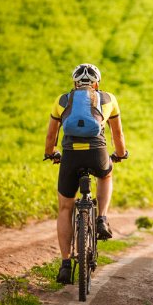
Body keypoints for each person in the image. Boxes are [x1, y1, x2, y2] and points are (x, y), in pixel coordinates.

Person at [43, 63, 128, 284]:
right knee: (106, 174)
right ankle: (101, 218)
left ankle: (64, 264)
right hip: (96, 151)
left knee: (65, 208)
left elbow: (51, 137)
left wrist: (51, 154)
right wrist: (120, 154)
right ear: (97, 83)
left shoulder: (62, 100)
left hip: (70, 155)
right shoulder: (108, 99)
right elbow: (117, 135)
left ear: (74, 83)